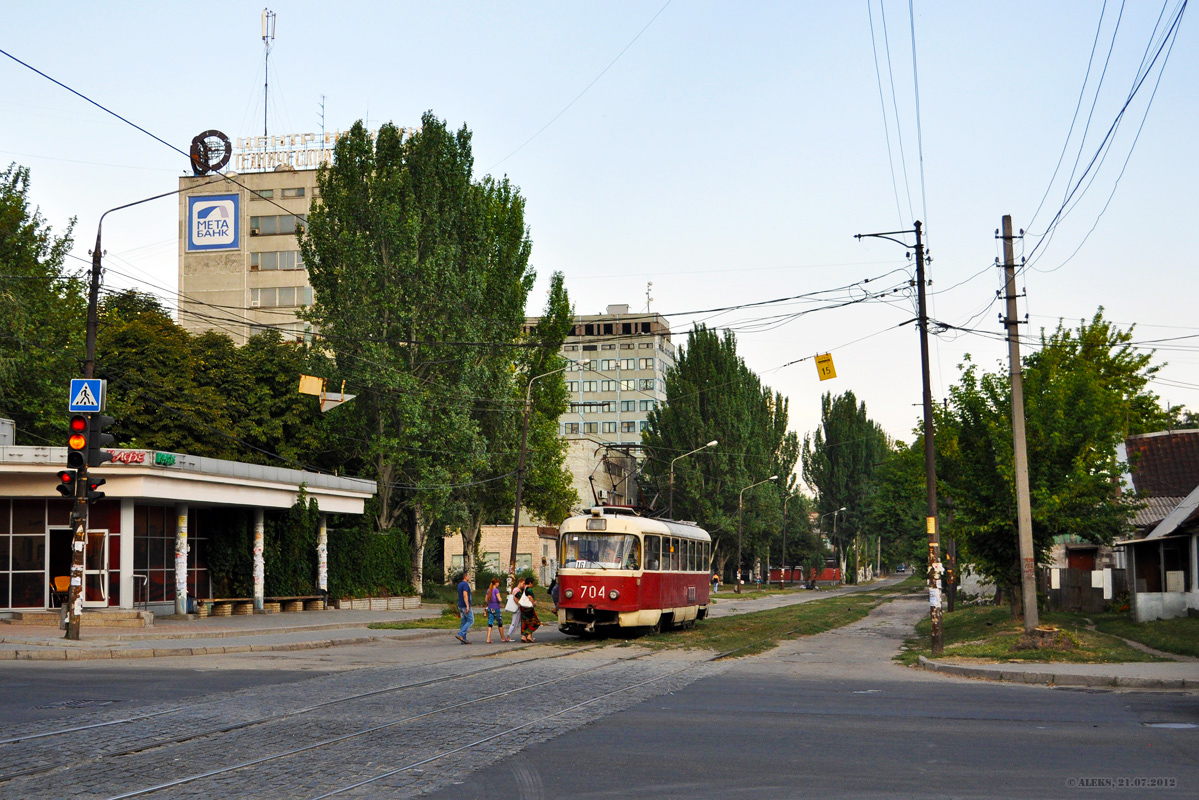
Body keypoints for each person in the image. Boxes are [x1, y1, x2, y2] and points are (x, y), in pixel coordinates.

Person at [485, 577, 508, 643]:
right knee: (499, 623)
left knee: (490, 623)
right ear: (496, 583)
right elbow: (499, 599)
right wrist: (501, 598)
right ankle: (503, 638)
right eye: (498, 582)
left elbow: (486, 600)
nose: (499, 584)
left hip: (490, 607)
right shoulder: (496, 590)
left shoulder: (488, 590)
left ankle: (488, 638)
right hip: (496, 608)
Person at [454, 573, 473, 644]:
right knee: (471, 620)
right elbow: (465, 595)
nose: (469, 577)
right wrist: (467, 605)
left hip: (460, 605)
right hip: (465, 606)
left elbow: (458, 594)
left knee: (464, 621)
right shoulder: (465, 584)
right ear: (465, 577)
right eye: (468, 576)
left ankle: (463, 639)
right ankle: (460, 634)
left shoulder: (459, 584)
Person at [506, 577, 526, 642]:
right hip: (517, 608)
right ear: (520, 582)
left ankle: (524, 635)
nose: (524, 585)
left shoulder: (517, 589)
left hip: (517, 608)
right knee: (514, 623)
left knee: (519, 623)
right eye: (523, 583)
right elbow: (515, 598)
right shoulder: (516, 590)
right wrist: (519, 604)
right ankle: (508, 636)